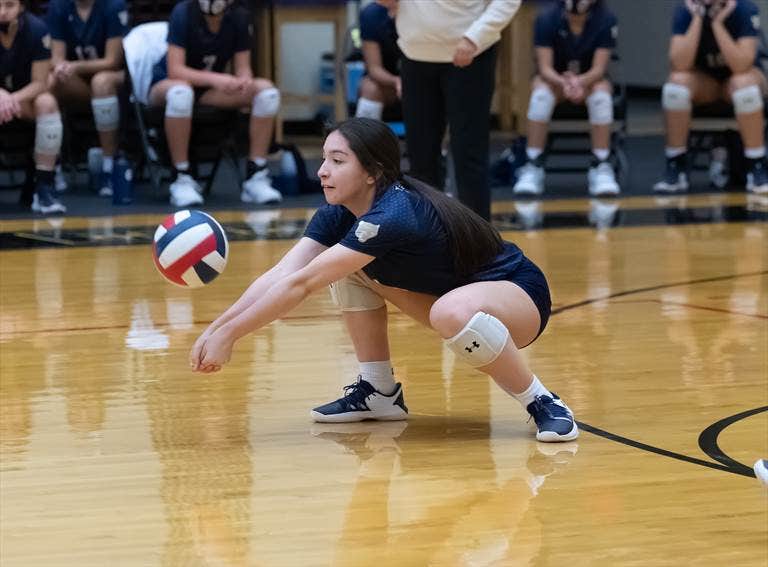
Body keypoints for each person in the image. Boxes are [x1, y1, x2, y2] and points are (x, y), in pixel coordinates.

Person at [188, 117, 579, 443]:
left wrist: (232, 335)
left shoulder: (395, 213)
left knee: (446, 308)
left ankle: (543, 402)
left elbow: (301, 286)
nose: (322, 170)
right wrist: (218, 328)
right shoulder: (338, 211)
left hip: (518, 298)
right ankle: (379, 392)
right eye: (324, 158)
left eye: (337, 160)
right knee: (344, 268)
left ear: (372, 172)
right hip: (448, 303)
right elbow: (283, 274)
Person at [377, 0, 520, 221]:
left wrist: (475, 37)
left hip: (470, 53)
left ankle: (478, 238)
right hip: (415, 52)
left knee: (469, 151)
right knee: (420, 152)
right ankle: (425, 235)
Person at [148, 0, 282, 208]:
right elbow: (175, 70)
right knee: (181, 93)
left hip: (208, 89)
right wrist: (217, 79)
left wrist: (243, 80)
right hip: (168, 84)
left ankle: (256, 174)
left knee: (267, 93)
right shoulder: (183, 12)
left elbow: (243, 67)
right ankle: (182, 176)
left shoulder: (239, 16)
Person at [654, 0, 767, 195]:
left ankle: (756, 166)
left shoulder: (745, 8)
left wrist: (717, 24)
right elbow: (679, 64)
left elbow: (741, 65)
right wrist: (698, 18)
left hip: (737, 79)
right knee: (675, 86)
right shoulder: (685, 10)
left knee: (744, 85)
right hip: (706, 83)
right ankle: (676, 165)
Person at [514, 0, 620, 197]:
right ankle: (533, 163)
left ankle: (601, 165)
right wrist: (565, 83)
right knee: (540, 95)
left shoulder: (606, 18)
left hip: (589, 81)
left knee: (602, 96)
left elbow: (599, 69)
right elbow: (545, 68)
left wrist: (580, 81)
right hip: (556, 80)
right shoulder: (546, 18)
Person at [47, 0, 129, 197]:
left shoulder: (114, 6)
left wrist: (73, 66)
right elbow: (56, 58)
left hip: (116, 78)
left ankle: (108, 167)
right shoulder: (58, 6)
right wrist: (61, 68)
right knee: (51, 80)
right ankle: (50, 168)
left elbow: (112, 61)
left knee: (101, 83)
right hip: (79, 82)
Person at [0, 0, 66, 214]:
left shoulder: (37, 29)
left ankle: (44, 188)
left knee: (47, 102)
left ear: (20, 7)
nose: (2, 12)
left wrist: (10, 100)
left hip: (22, 99)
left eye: (9, 5)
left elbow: (40, 83)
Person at [354, 0, 401, 121]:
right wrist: (396, 81)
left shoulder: (420, 12)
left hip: (422, 78)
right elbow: (374, 68)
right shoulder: (371, 14)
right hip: (387, 82)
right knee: (370, 88)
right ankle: (364, 137)